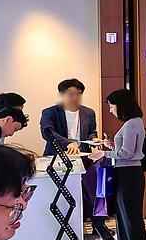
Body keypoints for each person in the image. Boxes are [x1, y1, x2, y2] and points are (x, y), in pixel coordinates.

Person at [101, 88, 146, 240]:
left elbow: (127, 153)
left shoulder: (132, 124)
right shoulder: (133, 122)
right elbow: (126, 150)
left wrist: (104, 153)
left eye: (111, 106)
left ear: (121, 105)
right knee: (124, 216)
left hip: (129, 174)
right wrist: (112, 146)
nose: (110, 110)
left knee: (131, 217)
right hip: (126, 173)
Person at [41, 77, 101, 222]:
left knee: (89, 193)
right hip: (58, 158)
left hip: (83, 158)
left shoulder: (88, 112)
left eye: (78, 93)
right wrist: (67, 143)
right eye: (70, 94)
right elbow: (48, 132)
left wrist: (93, 139)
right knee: (62, 195)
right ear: (62, 95)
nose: (75, 97)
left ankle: (97, 226)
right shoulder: (50, 112)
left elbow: (92, 131)